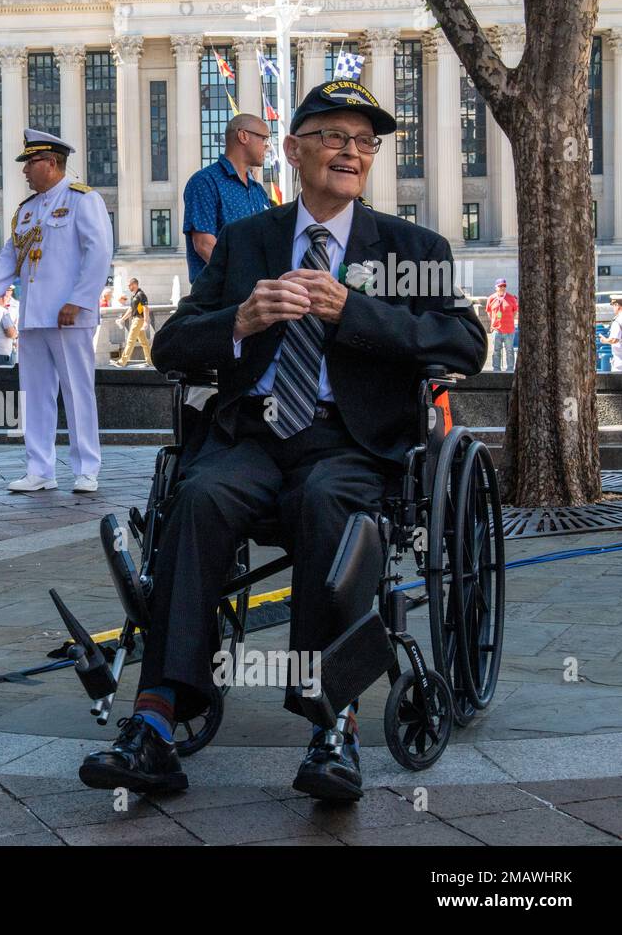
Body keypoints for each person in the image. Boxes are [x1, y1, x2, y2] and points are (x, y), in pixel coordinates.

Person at [78, 81, 487, 801]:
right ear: (293, 151)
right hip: (254, 434)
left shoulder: (410, 247)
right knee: (199, 497)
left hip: (352, 443)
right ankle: (157, 718)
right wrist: (239, 319)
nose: (350, 152)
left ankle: (332, 721)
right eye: (333, 136)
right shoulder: (246, 243)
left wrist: (356, 312)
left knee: (330, 504)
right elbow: (171, 346)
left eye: (364, 141)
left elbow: (465, 341)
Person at [0, 129, 112, 493]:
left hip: (69, 314)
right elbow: (10, 257)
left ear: (51, 163)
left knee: (77, 391)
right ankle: (40, 468)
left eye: (30, 163)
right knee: (34, 394)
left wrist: (80, 300)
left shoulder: (83, 199)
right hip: (34, 314)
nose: (24, 171)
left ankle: (86, 468)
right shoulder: (27, 210)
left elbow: (99, 252)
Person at [182, 113, 272, 282]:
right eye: (264, 139)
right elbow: (204, 244)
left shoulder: (258, 190)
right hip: (218, 296)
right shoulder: (205, 182)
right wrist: (245, 279)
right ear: (243, 136)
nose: (267, 147)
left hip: (255, 292)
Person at [116, 277, 152, 367]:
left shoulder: (141, 294)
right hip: (136, 319)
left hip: (139, 320)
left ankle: (122, 362)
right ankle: (150, 361)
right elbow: (131, 309)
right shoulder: (134, 296)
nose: (128, 287)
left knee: (130, 340)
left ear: (134, 284)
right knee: (144, 342)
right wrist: (122, 319)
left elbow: (145, 308)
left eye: (129, 285)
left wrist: (146, 322)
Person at [485, 277, 519, 372]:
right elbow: (488, 312)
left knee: (509, 351)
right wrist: (493, 322)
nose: (502, 288)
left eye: (504, 286)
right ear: (496, 287)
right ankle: (496, 369)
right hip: (496, 330)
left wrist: (508, 319)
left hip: (509, 330)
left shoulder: (511, 298)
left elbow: (515, 311)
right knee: (496, 351)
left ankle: (510, 369)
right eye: (500, 286)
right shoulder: (491, 298)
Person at [605, 295, 622, 372]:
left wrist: (604, 340)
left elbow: (614, 339)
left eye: (614, 306)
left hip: (620, 365)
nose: (613, 308)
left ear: (617, 306)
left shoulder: (618, 321)